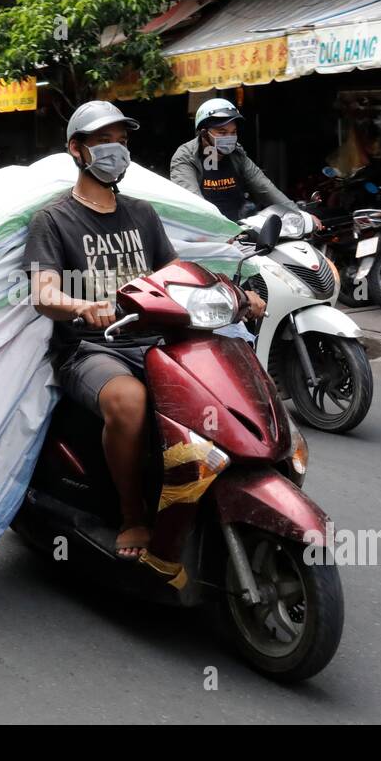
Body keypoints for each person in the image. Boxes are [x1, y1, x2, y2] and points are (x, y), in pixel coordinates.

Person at [24, 101, 266, 559]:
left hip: (156, 338)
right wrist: (82, 306)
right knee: (129, 401)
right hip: (92, 348)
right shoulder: (53, 221)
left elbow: (179, 274)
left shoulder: (142, 213)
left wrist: (234, 294)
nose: (116, 150)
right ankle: (133, 516)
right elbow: (44, 293)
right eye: (103, 141)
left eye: (122, 141)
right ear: (77, 150)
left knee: (223, 381)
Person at [169, 98, 318, 226]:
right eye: (222, 132)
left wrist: (300, 216)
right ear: (203, 133)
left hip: (241, 228)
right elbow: (193, 204)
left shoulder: (237, 154)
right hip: (204, 232)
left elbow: (265, 188)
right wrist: (217, 231)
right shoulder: (185, 157)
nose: (229, 137)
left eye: (233, 132)